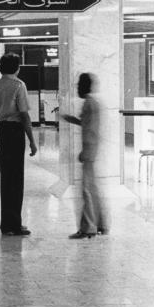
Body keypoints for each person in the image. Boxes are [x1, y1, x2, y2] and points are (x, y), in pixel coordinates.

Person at [0, 53, 38, 237]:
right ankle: (15, 224)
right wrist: (32, 141)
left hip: (2, 129)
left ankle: (6, 224)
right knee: (16, 178)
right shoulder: (19, 85)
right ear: (16, 67)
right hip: (15, 131)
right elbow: (24, 115)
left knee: (6, 176)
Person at [60, 73, 109, 239]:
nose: (76, 88)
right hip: (93, 148)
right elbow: (87, 123)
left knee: (87, 189)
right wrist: (71, 119)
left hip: (90, 149)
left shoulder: (89, 103)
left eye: (78, 85)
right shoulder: (93, 102)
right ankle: (101, 224)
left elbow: (90, 130)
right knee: (93, 188)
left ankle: (88, 228)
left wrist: (85, 151)